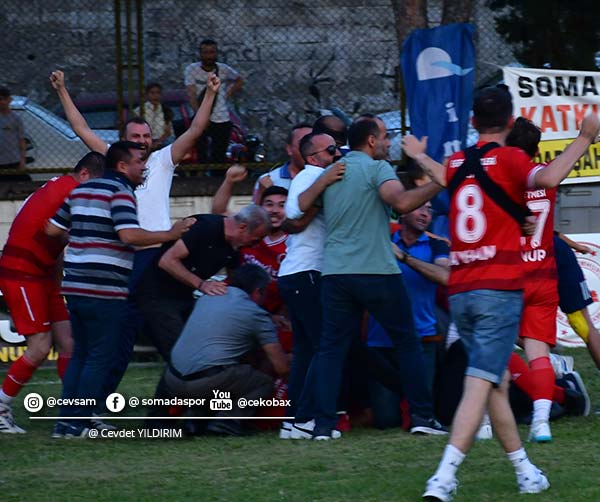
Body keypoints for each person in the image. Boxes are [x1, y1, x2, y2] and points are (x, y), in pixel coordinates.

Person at [402, 85, 599, 501]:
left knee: (496, 383)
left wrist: (418, 154)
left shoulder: (458, 160)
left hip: (460, 290)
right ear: (510, 123)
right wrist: (583, 138)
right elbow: (545, 178)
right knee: (481, 382)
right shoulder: (511, 158)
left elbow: (441, 175)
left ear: (473, 122)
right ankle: (443, 477)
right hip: (498, 288)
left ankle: (525, 470)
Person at [51, 69, 220, 396]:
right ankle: (93, 404)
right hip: (124, 260)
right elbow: (79, 128)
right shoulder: (116, 161)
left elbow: (197, 129)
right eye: (135, 137)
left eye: (145, 137)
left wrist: (211, 93)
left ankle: (189, 398)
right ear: (122, 139)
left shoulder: (161, 161)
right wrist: (61, 89)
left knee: (169, 331)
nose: (141, 142)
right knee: (118, 337)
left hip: (157, 259)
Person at [291, 116, 446, 440]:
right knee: (407, 342)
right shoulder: (377, 169)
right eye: (386, 136)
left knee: (331, 350)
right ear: (372, 141)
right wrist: (439, 182)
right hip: (377, 270)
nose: (389, 142)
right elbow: (401, 202)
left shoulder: (333, 172)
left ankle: (322, 426)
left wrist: (321, 183)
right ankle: (422, 417)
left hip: (335, 274)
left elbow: (300, 208)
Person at [47, 141, 194, 438]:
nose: (145, 167)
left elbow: (51, 229)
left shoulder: (79, 191)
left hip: (75, 285)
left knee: (80, 355)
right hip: (105, 288)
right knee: (100, 357)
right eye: (140, 161)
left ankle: (65, 423)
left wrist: (85, 240)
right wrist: (169, 233)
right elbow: (128, 234)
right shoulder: (121, 192)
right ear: (122, 166)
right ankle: (79, 423)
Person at [0, 152, 105, 434]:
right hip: (21, 273)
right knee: (40, 347)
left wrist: (57, 282)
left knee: (70, 343)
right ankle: (0, 407)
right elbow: (55, 232)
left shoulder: (60, 187)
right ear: (83, 174)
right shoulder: (69, 193)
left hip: (42, 275)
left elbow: (53, 238)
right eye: (95, 185)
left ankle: (77, 410)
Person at [153, 264, 289, 436]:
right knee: (261, 382)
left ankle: (196, 419)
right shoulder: (256, 314)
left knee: (217, 369)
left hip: (171, 381)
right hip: (205, 383)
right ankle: (227, 422)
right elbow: (281, 367)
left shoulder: (207, 297)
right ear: (258, 291)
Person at [134, 205, 272, 361]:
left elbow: (236, 283)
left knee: (197, 351)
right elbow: (167, 261)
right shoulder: (206, 228)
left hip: (184, 297)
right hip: (157, 297)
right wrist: (202, 285)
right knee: (180, 356)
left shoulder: (234, 247)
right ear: (242, 227)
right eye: (256, 239)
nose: (255, 245)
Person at [276, 132, 342, 439]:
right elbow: (293, 214)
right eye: (331, 149)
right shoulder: (313, 175)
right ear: (313, 156)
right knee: (324, 346)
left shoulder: (313, 175)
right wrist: (327, 180)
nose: (337, 153)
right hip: (307, 274)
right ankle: (306, 419)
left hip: (296, 274)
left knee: (305, 351)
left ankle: (292, 421)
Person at [367, 199, 449, 429]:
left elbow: (445, 276)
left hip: (422, 337)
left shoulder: (437, 246)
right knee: (386, 420)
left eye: (429, 210)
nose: (425, 214)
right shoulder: (382, 240)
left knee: (420, 413)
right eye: (420, 207)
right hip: (381, 340)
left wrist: (404, 258)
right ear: (402, 211)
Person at [184, 38, 243, 163]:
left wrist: (227, 93)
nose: (209, 56)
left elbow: (239, 80)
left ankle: (218, 177)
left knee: (219, 153)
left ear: (216, 53)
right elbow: (191, 94)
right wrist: (199, 115)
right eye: (205, 52)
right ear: (200, 54)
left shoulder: (223, 69)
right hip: (200, 116)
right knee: (201, 152)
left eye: (212, 52)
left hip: (221, 117)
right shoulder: (191, 70)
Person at [253, 123, 313, 203]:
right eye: (303, 144)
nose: (309, 150)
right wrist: (261, 194)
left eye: (312, 144)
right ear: (289, 149)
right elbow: (254, 213)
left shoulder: (325, 177)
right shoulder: (269, 180)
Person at [133, 82, 174, 149]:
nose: (156, 96)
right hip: (145, 138)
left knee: (170, 142)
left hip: (163, 139)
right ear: (147, 95)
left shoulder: (166, 110)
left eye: (158, 93)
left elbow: (167, 132)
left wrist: (158, 142)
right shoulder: (140, 110)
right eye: (152, 93)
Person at [0, 86, 29, 181]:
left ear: (9, 99)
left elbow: (21, 140)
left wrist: (22, 160)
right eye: (0, 99)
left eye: (5, 99)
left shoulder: (16, 118)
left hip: (13, 160)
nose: (2, 102)